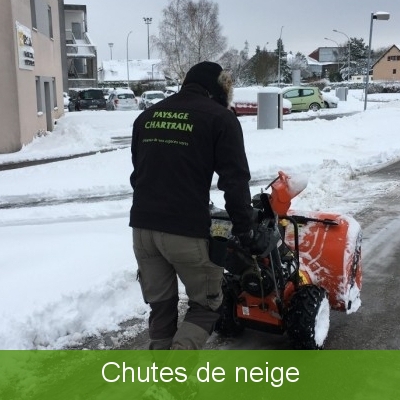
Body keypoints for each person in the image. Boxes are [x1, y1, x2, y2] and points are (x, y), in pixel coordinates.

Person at [129, 61, 256, 350]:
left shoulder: (147, 116)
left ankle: (161, 372)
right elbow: (234, 181)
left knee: (162, 306)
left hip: (142, 230)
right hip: (185, 230)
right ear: (221, 88)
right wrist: (245, 229)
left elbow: (139, 175)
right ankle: (177, 370)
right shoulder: (220, 119)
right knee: (206, 304)